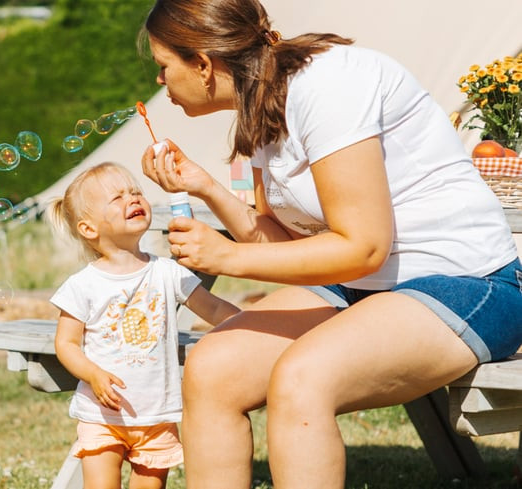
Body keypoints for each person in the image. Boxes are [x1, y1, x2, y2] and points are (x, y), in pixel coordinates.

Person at [137, 1, 522, 488]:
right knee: (213, 369)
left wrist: (228, 255)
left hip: (468, 283)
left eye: (162, 66)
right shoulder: (262, 107)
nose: (160, 81)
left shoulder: (328, 86)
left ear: (204, 64)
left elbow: (363, 248)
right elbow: (282, 241)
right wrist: (205, 187)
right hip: (360, 286)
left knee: (303, 377)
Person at [45, 162, 240, 489]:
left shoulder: (168, 272)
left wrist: (252, 324)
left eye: (135, 192)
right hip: (102, 415)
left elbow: (214, 307)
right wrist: (92, 374)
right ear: (89, 229)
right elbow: (65, 344)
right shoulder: (83, 284)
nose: (132, 198)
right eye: (117, 197)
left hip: (157, 414)